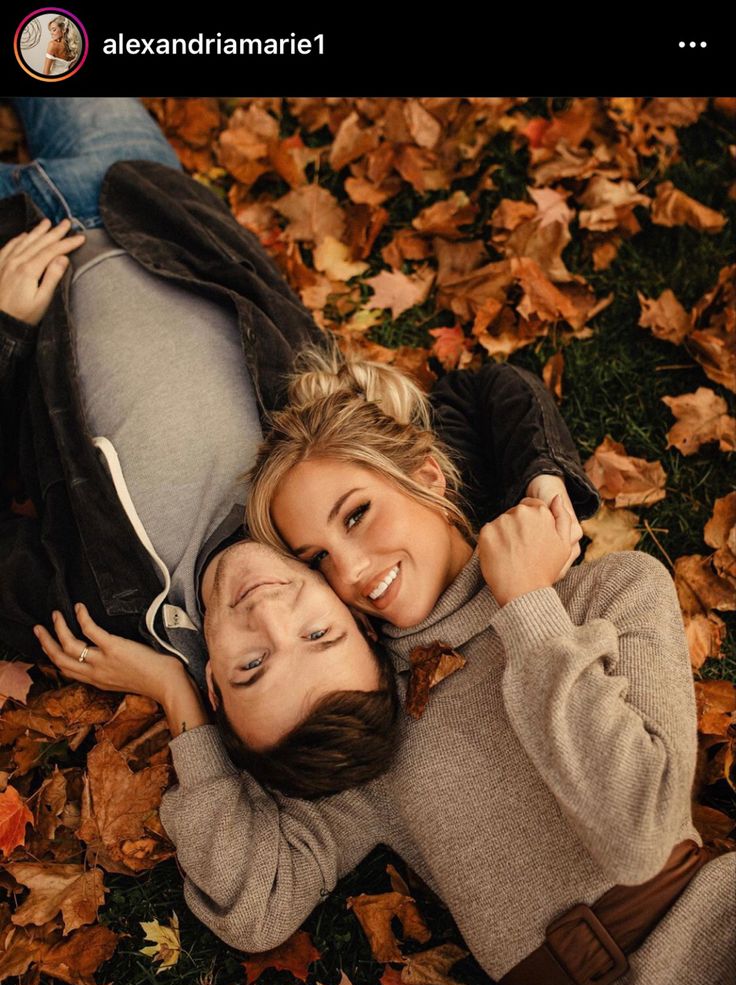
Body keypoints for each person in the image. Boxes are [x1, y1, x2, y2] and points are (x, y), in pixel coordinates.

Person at [37, 356, 735, 985]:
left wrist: (528, 610)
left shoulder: (611, 593)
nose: (350, 571)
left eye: (357, 515)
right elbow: (256, 905)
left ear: (429, 476)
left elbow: (643, 832)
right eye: (315, 557)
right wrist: (183, 703)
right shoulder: (367, 713)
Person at [2, 97, 599, 787]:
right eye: (320, 634)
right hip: (137, 192)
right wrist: (546, 485)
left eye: (252, 664)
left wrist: (9, 330)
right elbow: (492, 397)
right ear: (360, 621)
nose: (267, 612)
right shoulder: (344, 501)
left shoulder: (107, 609)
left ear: (216, 691)